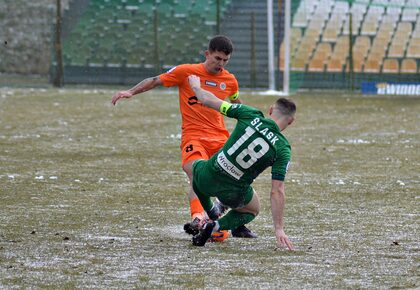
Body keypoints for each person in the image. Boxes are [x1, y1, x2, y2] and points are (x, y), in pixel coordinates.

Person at [111, 35, 256, 240]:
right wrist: (130, 92)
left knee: (237, 178)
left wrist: (251, 121)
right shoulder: (187, 72)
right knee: (196, 175)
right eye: (217, 59)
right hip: (194, 136)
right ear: (207, 54)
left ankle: (237, 223)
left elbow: (236, 103)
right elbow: (155, 80)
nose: (220, 64)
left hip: (220, 138)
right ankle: (199, 218)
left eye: (225, 60)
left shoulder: (229, 80)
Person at [187, 75, 296, 250]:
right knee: (253, 209)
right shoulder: (283, 149)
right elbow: (277, 191)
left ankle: (210, 210)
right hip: (233, 194)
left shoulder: (249, 113)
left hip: (207, 176)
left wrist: (196, 87)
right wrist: (279, 228)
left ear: (270, 110)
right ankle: (215, 225)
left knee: (195, 167)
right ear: (290, 121)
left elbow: (207, 100)